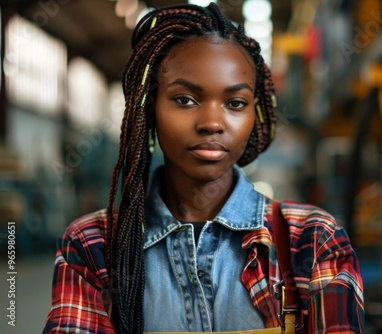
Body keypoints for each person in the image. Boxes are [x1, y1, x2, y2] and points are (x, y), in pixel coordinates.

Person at [43, 3, 364, 333]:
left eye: (235, 103)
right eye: (185, 99)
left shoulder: (312, 240)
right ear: (150, 108)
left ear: (254, 114)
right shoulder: (92, 245)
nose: (212, 123)